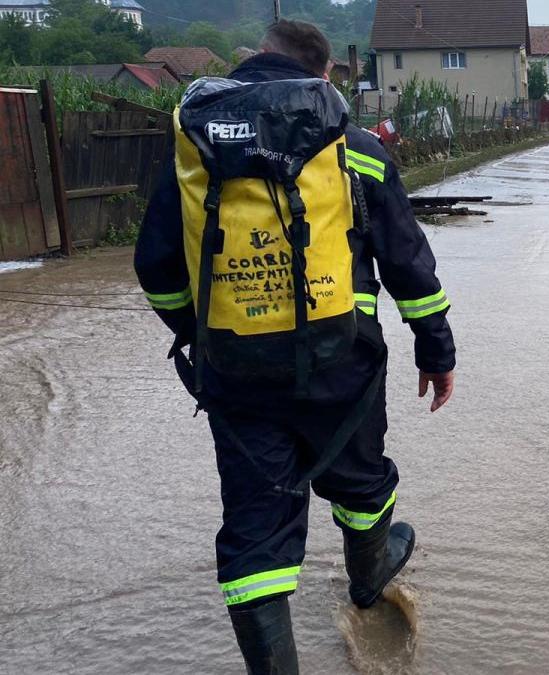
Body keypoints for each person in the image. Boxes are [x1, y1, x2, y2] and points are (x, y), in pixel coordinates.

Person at [134, 20, 456, 674]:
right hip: (344, 366)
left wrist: (196, 335)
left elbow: (156, 266)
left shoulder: (196, 146)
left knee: (256, 539)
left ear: (252, 63)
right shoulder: (354, 147)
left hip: (238, 373)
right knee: (364, 486)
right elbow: (408, 266)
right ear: (326, 78)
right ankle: (368, 578)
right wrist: (436, 349)